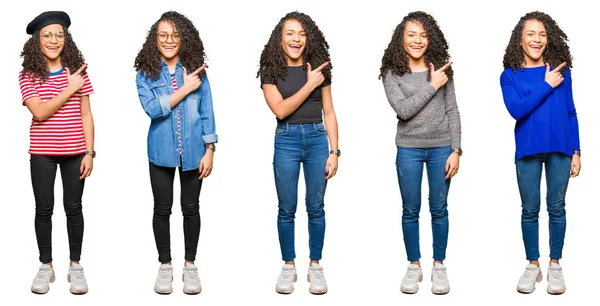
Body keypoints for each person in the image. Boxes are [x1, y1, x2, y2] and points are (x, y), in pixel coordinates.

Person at [135, 11, 217, 295]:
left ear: (184, 38)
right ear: (154, 39)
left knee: (191, 208)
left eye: (175, 35)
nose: (169, 41)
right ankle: (165, 265)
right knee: (162, 209)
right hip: (160, 152)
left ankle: (190, 265)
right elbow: (153, 109)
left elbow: (207, 111)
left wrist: (210, 149)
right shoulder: (145, 73)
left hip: (195, 152)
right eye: (163, 35)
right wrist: (184, 90)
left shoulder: (196, 71)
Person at [258, 11, 339, 295]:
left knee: (316, 207)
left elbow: (328, 110)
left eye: (302, 34)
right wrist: (309, 84)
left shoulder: (319, 67)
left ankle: (315, 265)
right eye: (290, 33)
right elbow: (280, 109)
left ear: (309, 38)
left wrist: (335, 151)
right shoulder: (270, 69)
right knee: (287, 208)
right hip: (287, 139)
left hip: (318, 139)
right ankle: (289, 265)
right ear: (279, 38)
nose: (296, 39)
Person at [380, 11, 461, 295]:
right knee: (410, 210)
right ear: (401, 39)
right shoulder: (392, 74)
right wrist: (431, 85)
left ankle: (439, 265)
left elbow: (452, 110)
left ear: (431, 39)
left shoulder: (441, 70)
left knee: (439, 208)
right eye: (411, 35)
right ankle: (414, 264)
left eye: (424, 35)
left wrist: (456, 149)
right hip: (409, 150)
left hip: (442, 148)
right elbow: (403, 110)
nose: (418, 41)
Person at [500, 11, 581, 295]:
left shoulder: (561, 70)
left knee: (556, 208)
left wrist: (576, 150)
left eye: (542, 34)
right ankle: (533, 264)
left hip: (561, 148)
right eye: (530, 34)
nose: (537, 40)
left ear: (548, 38)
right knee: (529, 210)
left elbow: (570, 112)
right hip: (528, 151)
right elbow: (516, 110)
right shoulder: (509, 75)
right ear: (519, 40)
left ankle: (555, 264)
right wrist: (546, 85)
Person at [19, 10, 95, 295]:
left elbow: (86, 114)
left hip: (76, 152)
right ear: (37, 41)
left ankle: (75, 265)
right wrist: (69, 88)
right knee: (44, 209)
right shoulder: (28, 74)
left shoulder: (78, 72)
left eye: (59, 35)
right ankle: (46, 265)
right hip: (42, 154)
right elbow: (39, 112)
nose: (54, 40)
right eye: (47, 35)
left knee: (74, 209)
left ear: (67, 39)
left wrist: (90, 152)